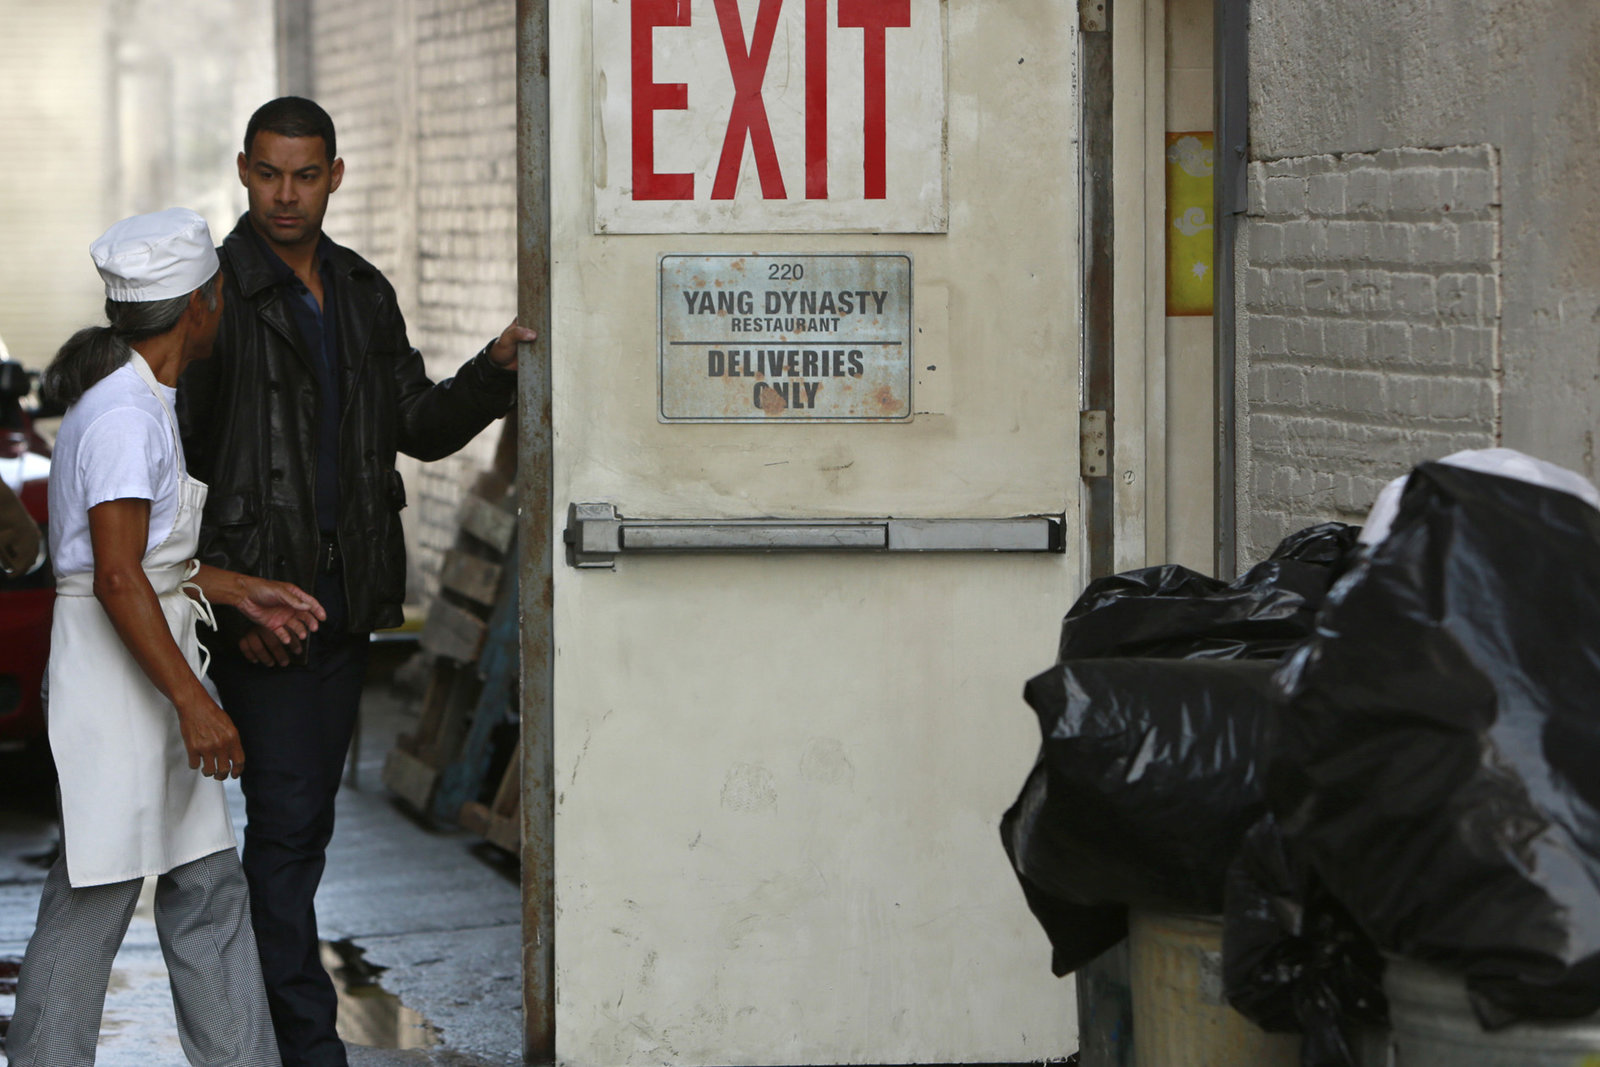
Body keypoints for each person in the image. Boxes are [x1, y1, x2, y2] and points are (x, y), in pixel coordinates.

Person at [176, 96, 531, 1067]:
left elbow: (415, 423)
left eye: (305, 175)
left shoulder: (363, 291)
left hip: (343, 604)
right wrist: (233, 601)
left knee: (302, 832)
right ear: (242, 171)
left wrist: (494, 368)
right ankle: (303, 1048)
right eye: (268, 174)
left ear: (335, 176)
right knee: (286, 839)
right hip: (264, 612)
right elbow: (182, 463)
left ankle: (276, 1039)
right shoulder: (212, 297)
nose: (285, 195)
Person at [5, 208, 326, 1067]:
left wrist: (242, 589)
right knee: (95, 889)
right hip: (116, 686)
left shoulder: (142, 398)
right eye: (219, 290)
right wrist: (195, 702)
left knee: (207, 884)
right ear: (199, 305)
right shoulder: (123, 416)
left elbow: (145, 565)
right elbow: (115, 578)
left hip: (148, 667)